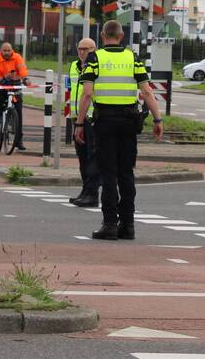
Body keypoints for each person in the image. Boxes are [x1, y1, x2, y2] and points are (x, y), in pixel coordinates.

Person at [74, 20, 163, 240]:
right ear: (121, 36)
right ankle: (128, 225)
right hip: (129, 122)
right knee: (126, 173)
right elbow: (147, 92)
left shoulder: (95, 58)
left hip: (104, 122)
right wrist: (158, 119)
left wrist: (79, 122)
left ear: (103, 36)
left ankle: (110, 224)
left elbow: (86, 94)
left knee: (108, 173)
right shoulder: (133, 58)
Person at [67, 38, 100, 207]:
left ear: (94, 49)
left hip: (92, 117)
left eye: (86, 49)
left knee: (92, 156)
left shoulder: (97, 66)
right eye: (79, 48)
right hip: (77, 117)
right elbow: (72, 91)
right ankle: (85, 189)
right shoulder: (74, 66)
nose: (81, 52)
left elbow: (88, 94)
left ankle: (92, 193)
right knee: (82, 157)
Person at [0, 42, 29, 151]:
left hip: (15, 87)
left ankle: (18, 141)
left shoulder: (18, 58)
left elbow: (23, 71)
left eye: (8, 50)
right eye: (4, 51)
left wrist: (25, 79)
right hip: (2, 87)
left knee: (19, 113)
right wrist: (3, 78)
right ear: (1, 51)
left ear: (12, 50)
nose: (6, 53)